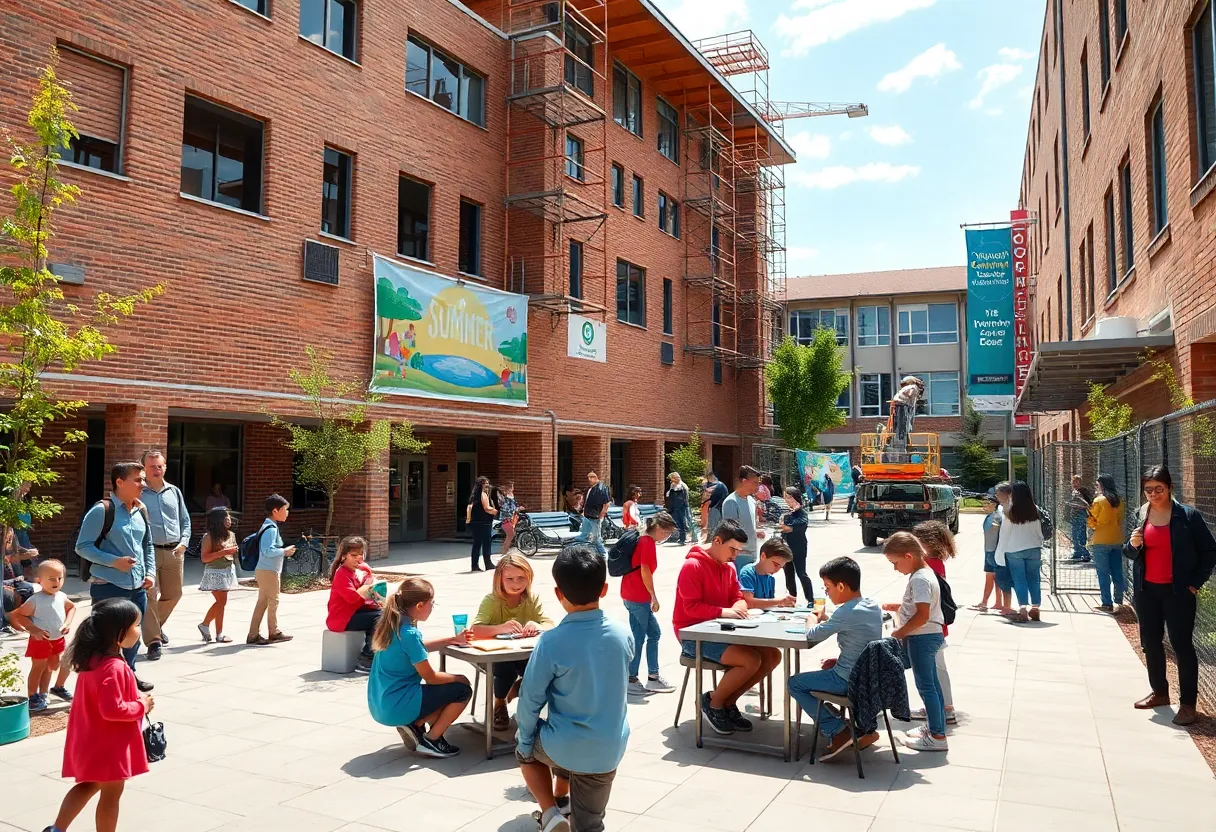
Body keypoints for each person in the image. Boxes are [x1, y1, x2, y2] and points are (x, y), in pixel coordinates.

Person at [517, 544, 633, 832]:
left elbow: (530, 700)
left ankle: (551, 812)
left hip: (563, 745)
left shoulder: (551, 642)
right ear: (604, 589)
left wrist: (524, 741)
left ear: (558, 594)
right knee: (590, 824)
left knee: (527, 746)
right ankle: (573, 811)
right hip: (608, 748)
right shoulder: (622, 633)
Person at [46, 598, 152, 832]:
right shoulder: (113, 667)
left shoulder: (92, 660)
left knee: (88, 784)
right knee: (111, 795)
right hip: (108, 745)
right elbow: (112, 709)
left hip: (91, 739)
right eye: (136, 625)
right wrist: (141, 705)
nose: (139, 630)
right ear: (118, 633)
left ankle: (56, 829)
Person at [1125, 465, 1216, 726]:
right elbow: (1129, 552)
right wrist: (1131, 545)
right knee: (1150, 643)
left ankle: (1188, 704)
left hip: (1178, 592)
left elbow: (1210, 551)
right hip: (1147, 591)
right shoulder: (1140, 515)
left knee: (1181, 646)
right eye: (1148, 490)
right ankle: (1160, 693)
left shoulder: (1187, 516)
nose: (1153, 494)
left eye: (1158, 489)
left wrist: (1195, 583)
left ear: (1170, 488)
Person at [672, 519, 781, 736]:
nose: (734, 556)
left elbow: (739, 597)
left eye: (738, 551)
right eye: (732, 549)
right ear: (717, 541)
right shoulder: (692, 566)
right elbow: (691, 608)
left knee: (772, 656)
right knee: (750, 660)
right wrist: (724, 612)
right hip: (694, 636)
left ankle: (728, 702)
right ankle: (714, 703)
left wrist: (739, 606)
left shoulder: (729, 568)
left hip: (724, 631)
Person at [787, 556, 884, 761]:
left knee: (794, 683)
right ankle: (853, 726)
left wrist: (813, 616)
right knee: (822, 672)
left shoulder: (845, 612)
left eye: (827, 587)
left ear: (841, 586)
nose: (826, 592)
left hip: (848, 679)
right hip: (866, 676)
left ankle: (838, 731)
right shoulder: (872, 605)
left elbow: (812, 634)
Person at [368, 577, 473, 758]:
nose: (432, 607)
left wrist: (452, 639)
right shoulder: (409, 634)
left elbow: (417, 648)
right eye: (432, 603)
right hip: (397, 707)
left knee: (444, 690)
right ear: (419, 606)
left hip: (381, 704)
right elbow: (430, 677)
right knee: (462, 690)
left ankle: (416, 724)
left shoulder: (392, 625)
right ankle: (431, 739)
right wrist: (459, 678)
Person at [75, 462, 156, 693]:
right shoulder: (102, 510)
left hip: (137, 585)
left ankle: (128, 676)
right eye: (138, 479)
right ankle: (101, 682)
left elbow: (147, 545)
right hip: (108, 586)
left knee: (133, 636)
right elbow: (82, 547)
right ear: (120, 482)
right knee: (107, 638)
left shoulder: (141, 510)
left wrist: (150, 572)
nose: (143, 484)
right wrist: (114, 561)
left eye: (143, 479)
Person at [470, 553, 553, 731]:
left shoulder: (532, 599)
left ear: (529, 577)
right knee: (505, 669)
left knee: (544, 671)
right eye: (510, 579)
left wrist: (537, 625)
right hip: (494, 656)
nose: (516, 584)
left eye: (521, 578)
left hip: (522, 653)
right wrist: (500, 628)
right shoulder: (492, 600)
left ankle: (517, 695)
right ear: (499, 579)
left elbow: (549, 624)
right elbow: (475, 630)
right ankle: (500, 702)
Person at [882, 532, 948, 753]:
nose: (895, 569)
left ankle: (937, 736)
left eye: (895, 563)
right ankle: (935, 728)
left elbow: (922, 615)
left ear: (908, 556)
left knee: (926, 686)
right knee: (932, 684)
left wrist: (899, 632)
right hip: (927, 635)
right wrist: (899, 607)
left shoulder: (920, 578)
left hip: (923, 636)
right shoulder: (924, 574)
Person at [138, 450, 191, 662]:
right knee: (150, 595)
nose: (156, 470)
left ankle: (154, 627)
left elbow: (185, 521)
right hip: (148, 551)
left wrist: (184, 543)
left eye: (160, 466)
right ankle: (153, 642)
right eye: (152, 467)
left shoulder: (174, 492)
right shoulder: (138, 493)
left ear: (165, 467)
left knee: (175, 594)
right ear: (144, 469)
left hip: (174, 551)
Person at [621, 512, 678, 697]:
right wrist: (653, 596)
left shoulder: (642, 538)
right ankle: (633, 678)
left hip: (631, 593)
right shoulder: (647, 542)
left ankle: (650, 676)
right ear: (660, 529)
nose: (667, 537)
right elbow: (645, 570)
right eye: (667, 533)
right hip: (637, 596)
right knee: (642, 636)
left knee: (650, 634)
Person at [9, 559, 76, 711]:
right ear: (39, 580)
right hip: (40, 640)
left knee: (51, 667)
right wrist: (33, 629)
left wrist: (67, 623)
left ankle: (44, 693)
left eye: (60, 578)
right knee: (39, 667)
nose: (57, 582)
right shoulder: (35, 600)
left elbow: (72, 608)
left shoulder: (61, 596)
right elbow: (20, 616)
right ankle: (33, 696)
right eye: (52, 579)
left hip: (57, 639)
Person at [910, 521, 957, 725]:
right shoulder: (934, 562)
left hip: (931, 625)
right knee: (936, 667)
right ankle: (941, 706)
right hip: (934, 623)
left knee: (935, 669)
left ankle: (945, 708)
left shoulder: (929, 565)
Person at [247, 494, 296, 645]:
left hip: (265, 570)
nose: (287, 512)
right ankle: (273, 632)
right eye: (285, 509)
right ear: (275, 511)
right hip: (269, 572)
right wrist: (284, 551)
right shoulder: (271, 529)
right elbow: (267, 551)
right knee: (273, 601)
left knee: (263, 602)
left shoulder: (269, 526)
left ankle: (253, 634)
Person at [326, 536, 383, 668]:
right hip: (342, 617)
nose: (358, 559)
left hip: (357, 610)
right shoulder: (341, 574)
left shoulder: (362, 569)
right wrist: (366, 588)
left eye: (361, 554)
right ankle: (367, 657)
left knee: (387, 613)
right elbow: (353, 599)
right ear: (344, 556)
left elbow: (370, 594)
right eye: (353, 555)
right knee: (379, 618)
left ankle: (377, 652)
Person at [994, 481, 1045, 624]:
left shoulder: (1010, 510)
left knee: (1019, 580)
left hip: (1014, 549)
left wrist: (1000, 552)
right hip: (1034, 549)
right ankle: (1035, 607)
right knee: (1034, 579)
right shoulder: (1034, 509)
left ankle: (1023, 609)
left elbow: (1004, 533)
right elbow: (1038, 531)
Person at [197, 507, 239, 644]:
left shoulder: (231, 534)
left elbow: (232, 551)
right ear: (218, 520)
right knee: (221, 602)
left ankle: (206, 626)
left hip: (228, 570)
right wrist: (224, 552)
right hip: (215, 572)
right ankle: (217, 632)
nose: (229, 520)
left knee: (221, 602)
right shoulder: (208, 537)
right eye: (226, 517)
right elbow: (205, 558)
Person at [1088, 474, 1127, 612]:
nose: (1097, 488)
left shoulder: (1099, 501)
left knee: (1103, 572)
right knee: (1117, 570)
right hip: (1116, 539)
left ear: (1102, 485)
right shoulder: (1119, 501)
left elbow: (1092, 521)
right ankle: (1119, 599)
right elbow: (1120, 520)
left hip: (1101, 540)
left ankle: (1107, 603)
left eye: (1098, 485)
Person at [971, 489, 1010, 613]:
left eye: (986, 504)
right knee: (991, 577)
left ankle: (993, 602)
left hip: (993, 551)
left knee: (994, 577)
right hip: (989, 550)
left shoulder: (997, 517)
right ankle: (990, 602)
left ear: (993, 504)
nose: (984, 506)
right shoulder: (991, 516)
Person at [720, 465, 765, 573]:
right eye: (755, 482)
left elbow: (747, 525)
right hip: (739, 556)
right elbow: (731, 532)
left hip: (752, 553)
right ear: (744, 481)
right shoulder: (731, 502)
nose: (758, 486)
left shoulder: (751, 500)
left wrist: (755, 532)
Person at [739, 538, 796, 610]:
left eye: (780, 567)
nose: (777, 570)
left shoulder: (770, 579)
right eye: (775, 564)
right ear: (763, 556)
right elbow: (748, 602)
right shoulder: (747, 573)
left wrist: (781, 604)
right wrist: (779, 601)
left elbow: (769, 603)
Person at [780, 487, 814, 605]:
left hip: (799, 546)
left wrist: (790, 527)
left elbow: (800, 525)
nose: (787, 500)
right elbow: (783, 526)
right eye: (786, 497)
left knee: (801, 573)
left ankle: (810, 599)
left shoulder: (801, 512)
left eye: (789, 497)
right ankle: (791, 599)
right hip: (786, 546)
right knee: (788, 574)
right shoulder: (787, 512)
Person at [575, 472, 611, 557]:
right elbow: (587, 501)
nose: (589, 480)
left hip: (595, 517)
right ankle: (585, 552)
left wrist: (602, 515)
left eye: (591, 478)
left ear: (595, 478)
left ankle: (603, 554)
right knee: (583, 536)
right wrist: (584, 511)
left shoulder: (602, 488)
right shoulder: (591, 488)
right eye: (588, 478)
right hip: (587, 516)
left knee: (596, 538)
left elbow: (607, 503)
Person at [467, 476, 497, 572]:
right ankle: (488, 563)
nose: (487, 485)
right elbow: (487, 508)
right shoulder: (482, 494)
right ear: (481, 485)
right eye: (485, 484)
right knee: (486, 543)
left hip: (475, 522)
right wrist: (496, 512)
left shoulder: (473, 495)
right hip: (484, 522)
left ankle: (474, 565)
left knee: (476, 544)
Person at [890, 376, 924, 449]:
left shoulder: (908, 387)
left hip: (901, 405)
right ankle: (901, 437)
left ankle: (901, 437)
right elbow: (909, 393)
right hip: (902, 406)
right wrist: (909, 395)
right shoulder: (913, 387)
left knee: (901, 424)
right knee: (903, 424)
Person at [1066, 474, 1093, 563]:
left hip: (1079, 514)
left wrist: (1071, 504)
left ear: (1080, 483)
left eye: (1076, 482)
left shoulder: (1079, 492)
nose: (1074, 484)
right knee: (1079, 534)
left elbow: (1085, 504)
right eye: (1073, 482)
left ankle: (1084, 553)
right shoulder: (1078, 492)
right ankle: (1079, 553)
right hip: (1079, 515)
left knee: (1076, 535)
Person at [665, 473, 691, 546]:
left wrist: (684, 507)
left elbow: (684, 498)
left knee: (682, 522)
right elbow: (669, 495)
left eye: (673, 478)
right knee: (676, 523)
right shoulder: (672, 486)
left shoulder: (682, 486)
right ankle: (679, 537)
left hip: (681, 508)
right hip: (674, 507)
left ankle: (683, 538)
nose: (672, 480)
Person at [702, 471, 729, 539]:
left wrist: (713, 504)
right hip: (718, 506)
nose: (709, 479)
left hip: (717, 507)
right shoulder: (719, 485)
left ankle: (712, 537)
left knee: (714, 522)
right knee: (716, 522)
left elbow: (718, 496)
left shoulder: (719, 485)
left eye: (710, 477)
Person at [498, 481, 520, 555]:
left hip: (511, 518)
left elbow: (515, 506)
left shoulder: (510, 496)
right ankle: (504, 552)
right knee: (511, 535)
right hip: (506, 519)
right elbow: (508, 508)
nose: (513, 489)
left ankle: (504, 552)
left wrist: (518, 508)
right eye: (512, 487)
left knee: (510, 535)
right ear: (509, 488)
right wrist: (517, 509)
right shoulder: (505, 497)